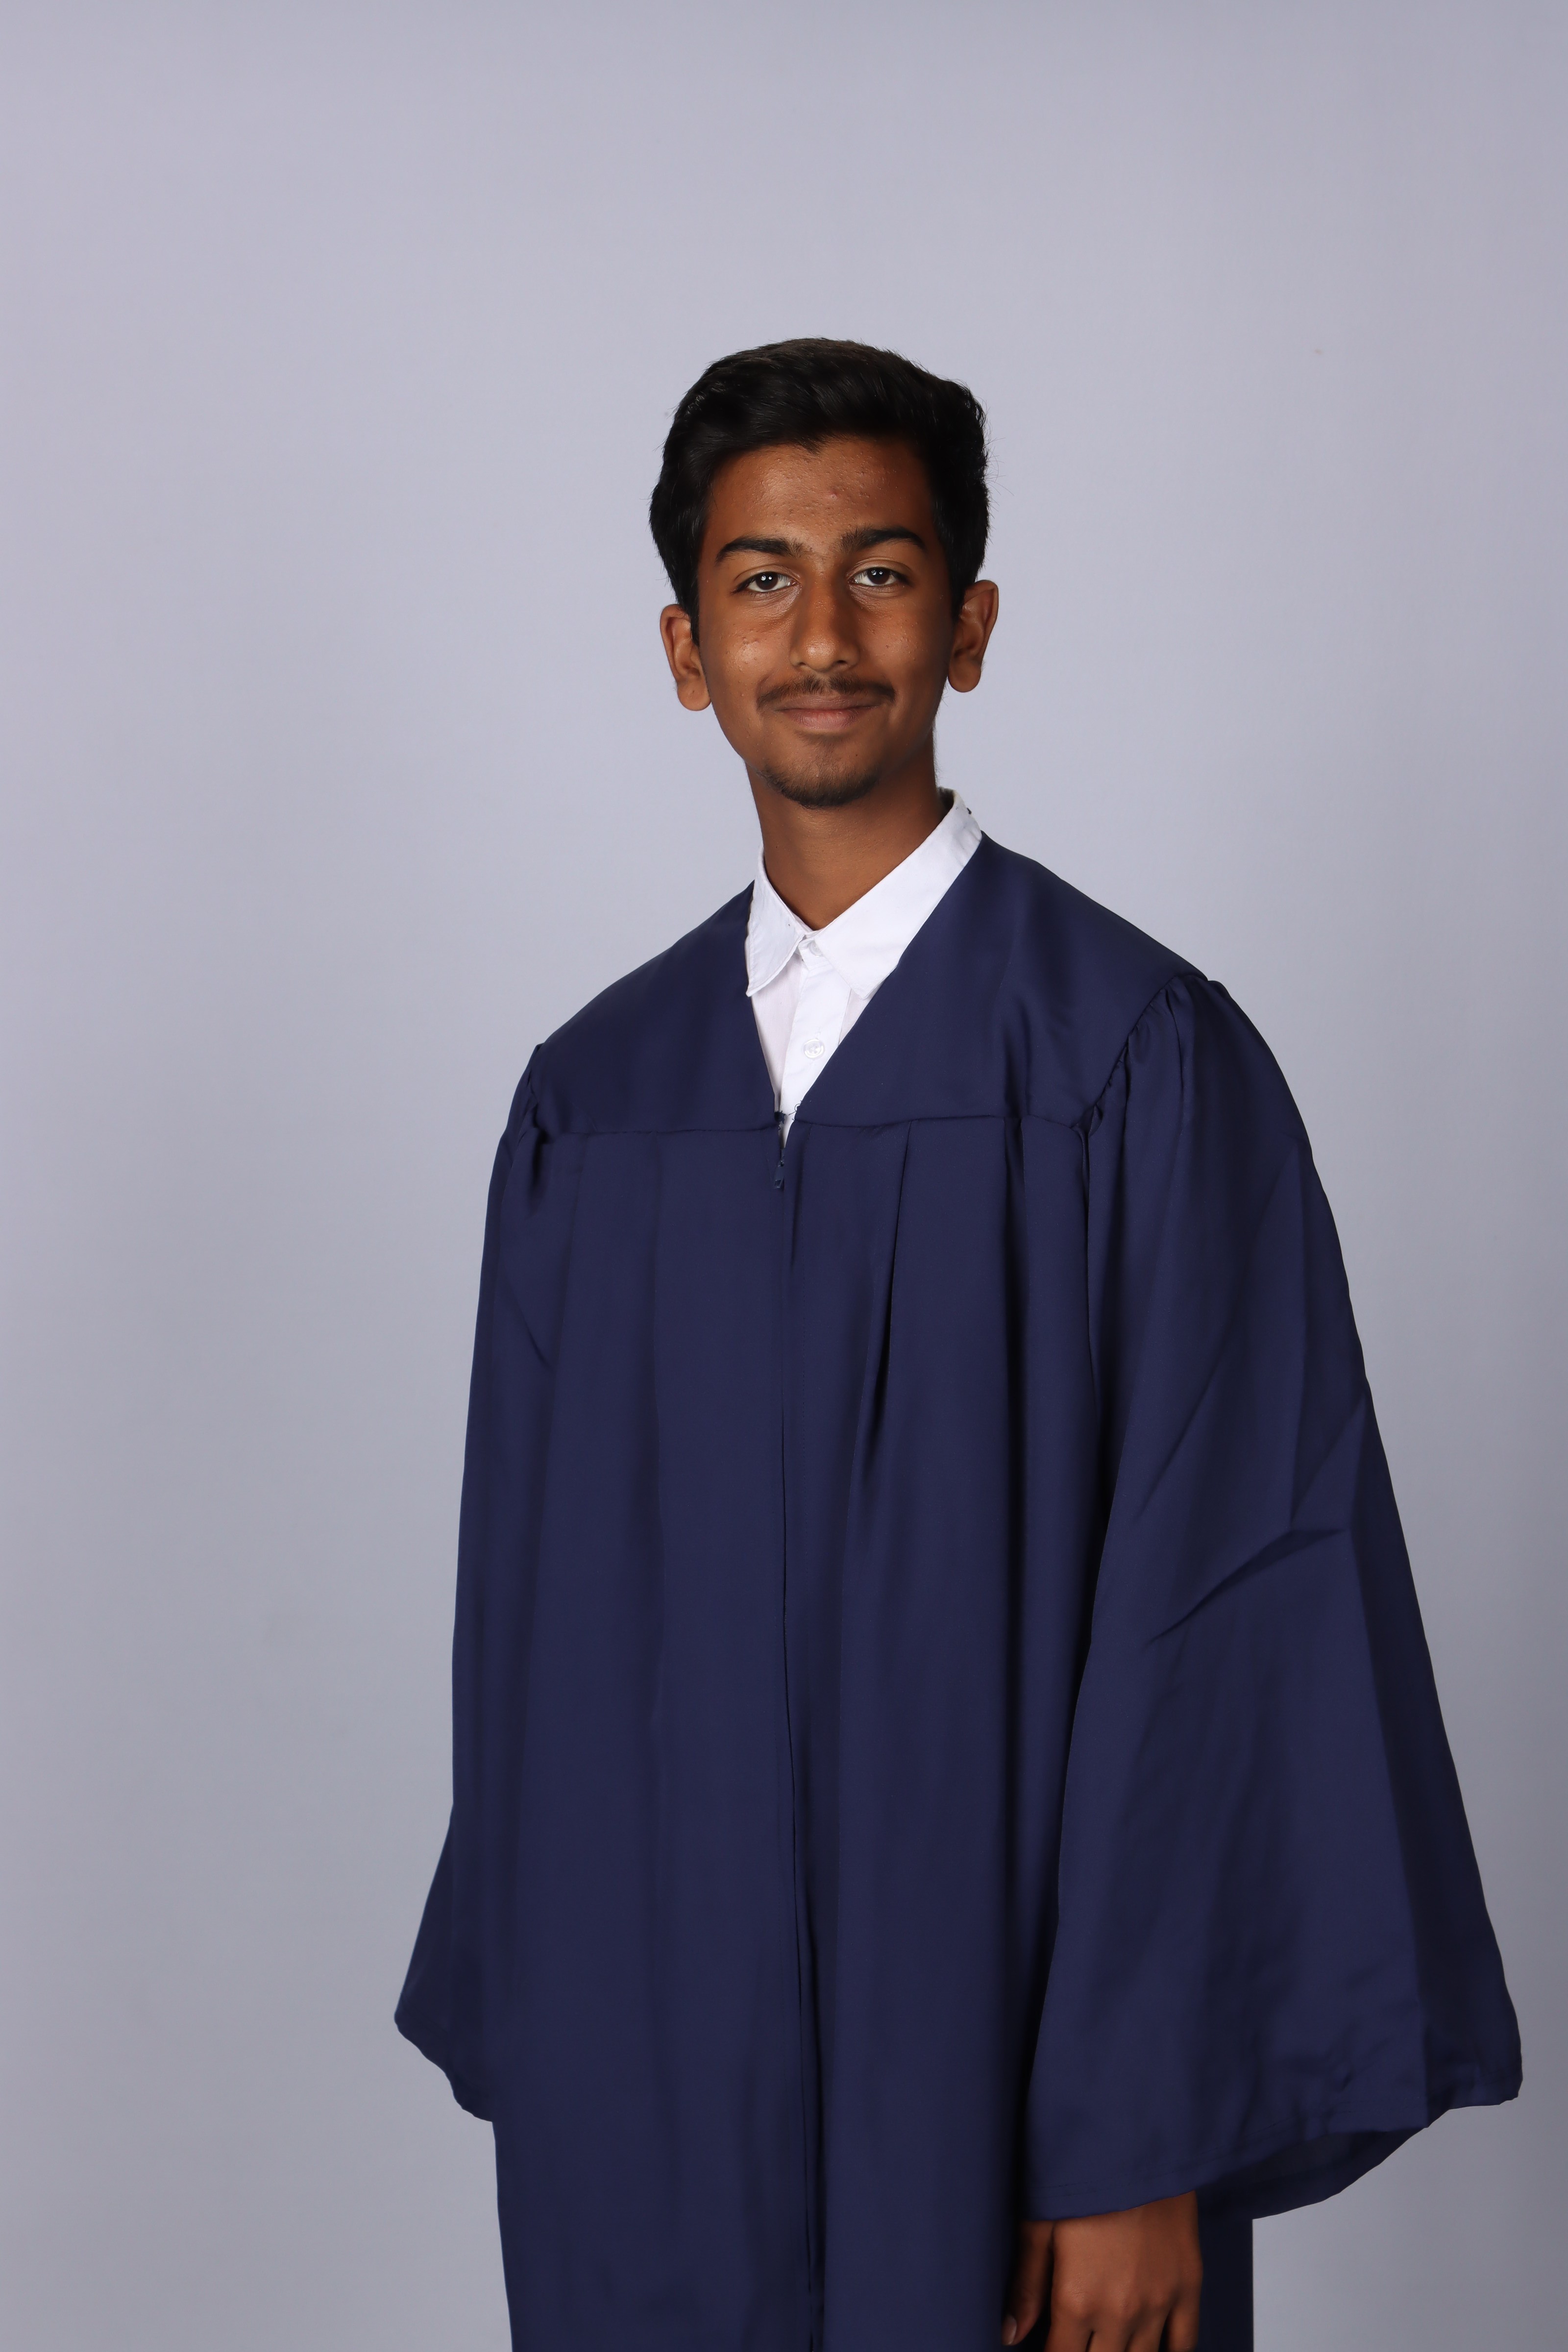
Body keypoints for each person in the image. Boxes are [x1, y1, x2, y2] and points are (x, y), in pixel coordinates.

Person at [397, 339, 1519, 2352]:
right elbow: (526, 1637)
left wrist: (1139, 2132)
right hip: (649, 2067)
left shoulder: (1134, 1062)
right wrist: (561, 2033)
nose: (822, 635)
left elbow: (1227, 1606)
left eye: (883, 574)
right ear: (686, 651)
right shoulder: (596, 1100)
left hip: (1011, 2083)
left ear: (968, 628)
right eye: (760, 581)